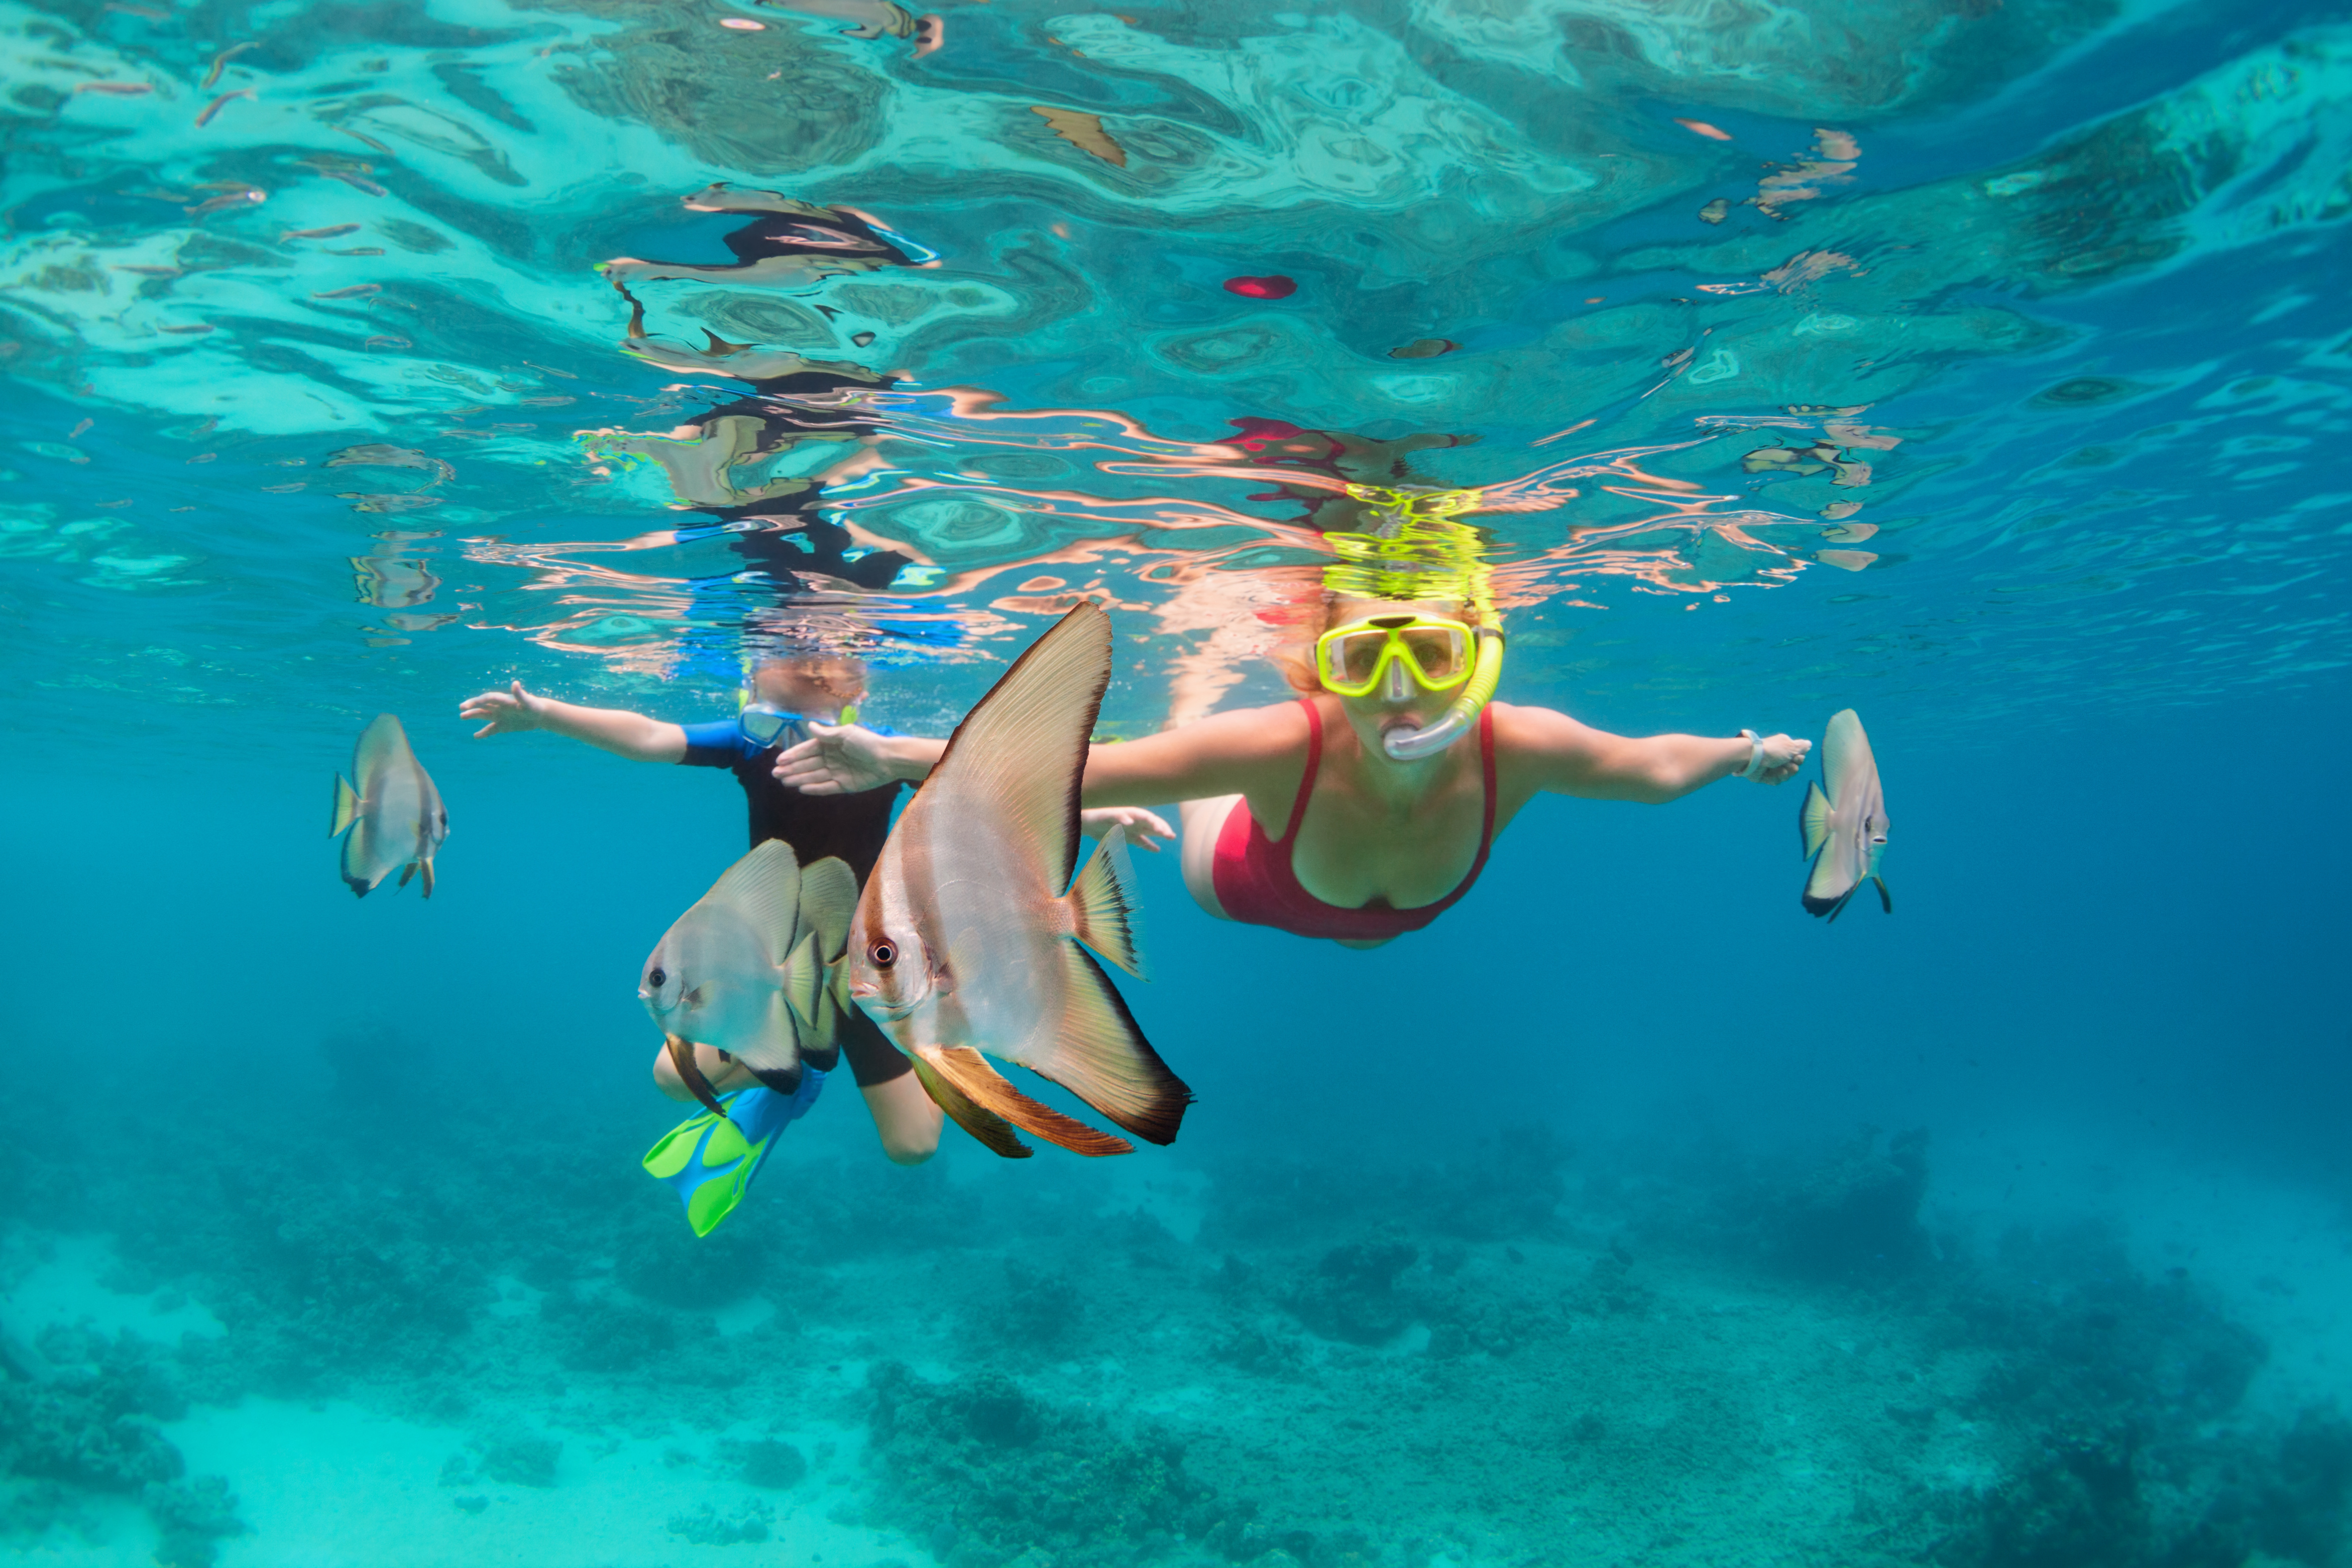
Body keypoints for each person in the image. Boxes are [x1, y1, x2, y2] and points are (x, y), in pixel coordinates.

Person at [456, 655, 1170, 1173]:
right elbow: (648, 735)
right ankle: (788, 1069)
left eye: (833, 660)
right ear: (757, 678)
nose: (817, 669)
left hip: (884, 962)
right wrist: (545, 714)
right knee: (671, 1078)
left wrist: (1103, 814)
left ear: (857, 681)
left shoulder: (880, 750)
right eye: (793, 659)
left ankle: (825, 1069)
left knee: (913, 1147)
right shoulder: (751, 742)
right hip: (770, 963)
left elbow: (991, 811)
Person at [774, 595, 1810, 949]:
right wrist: (894, 754)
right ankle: (1191, 699)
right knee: (1167, 772)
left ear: (1476, 660)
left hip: (1380, 912)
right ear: (1324, 672)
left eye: (1431, 656)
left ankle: (1183, 734)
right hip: (1241, 884)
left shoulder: (1518, 742)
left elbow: (1649, 769)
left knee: (1153, 776)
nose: (1398, 691)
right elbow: (1078, 770)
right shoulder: (1287, 744)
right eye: (1362, 659)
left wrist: (1741, 753)